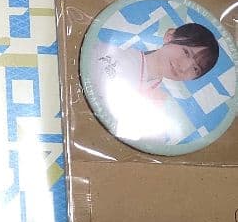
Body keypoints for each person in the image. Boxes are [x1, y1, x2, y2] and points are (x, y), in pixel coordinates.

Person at [88, 23, 221, 144]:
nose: (184, 67)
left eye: (195, 69)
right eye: (186, 52)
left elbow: (147, 145)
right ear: (169, 36)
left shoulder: (159, 108)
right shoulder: (105, 53)